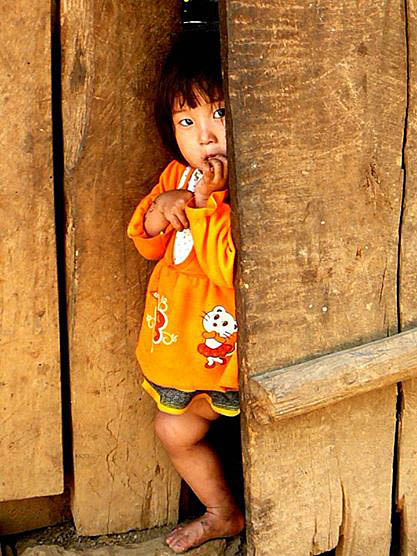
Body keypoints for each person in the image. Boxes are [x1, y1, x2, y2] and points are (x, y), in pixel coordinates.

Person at [127, 30, 244, 553]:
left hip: (231, 366)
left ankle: (236, 509)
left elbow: (227, 268)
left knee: (249, 435)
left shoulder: (249, 188)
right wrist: (163, 209)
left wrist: (203, 207)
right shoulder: (176, 174)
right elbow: (146, 242)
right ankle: (222, 513)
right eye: (187, 120)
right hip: (180, 360)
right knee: (174, 432)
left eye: (220, 112)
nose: (207, 135)